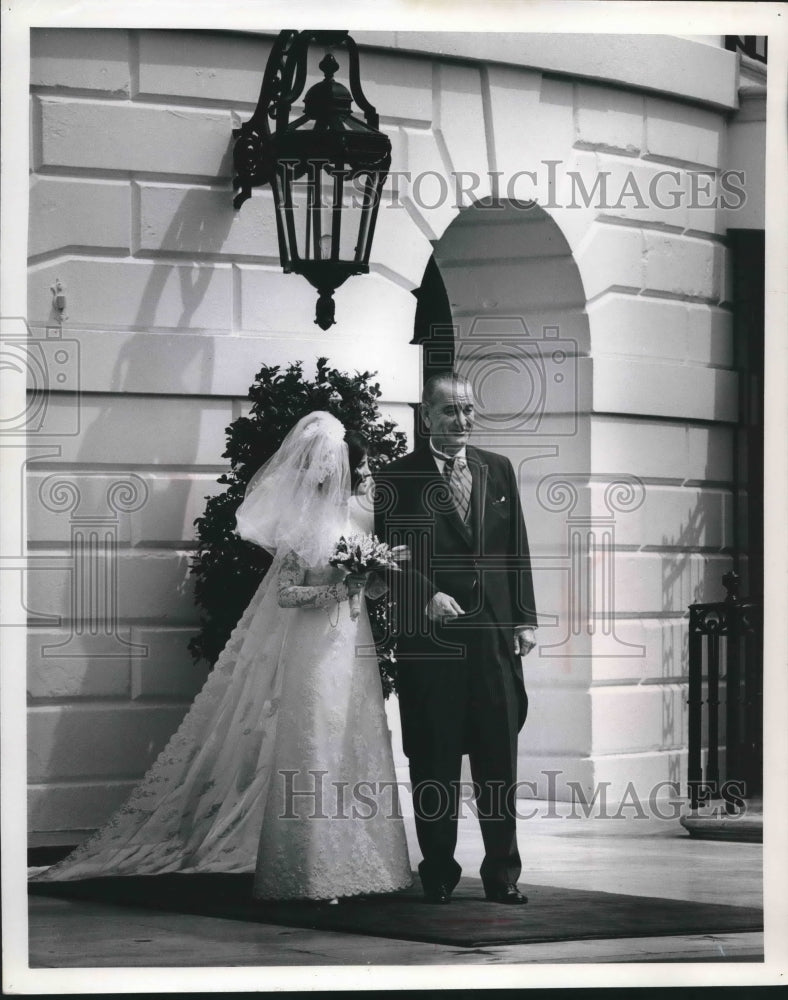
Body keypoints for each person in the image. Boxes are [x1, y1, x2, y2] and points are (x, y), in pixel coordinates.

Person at [31, 411, 412, 901]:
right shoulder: (303, 530)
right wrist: (337, 593)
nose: (364, 476)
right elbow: (287, 595)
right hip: (314, 653)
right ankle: (311, 866)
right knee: (314, 742)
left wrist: (373, 579)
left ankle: (368, 864)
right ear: (337, 469)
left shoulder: (357, 520)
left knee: (354, 741)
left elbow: (370, 591)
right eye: (359, 468)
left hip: (352, 650)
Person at [373, 372, 537, 905]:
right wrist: (424, 595)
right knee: (435, 756)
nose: (462, 421)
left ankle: (502, 873)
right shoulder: (399, 477)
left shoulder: (498, 469)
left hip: (491, 634)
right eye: (449, 412)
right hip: (433, 639)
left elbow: (516, 548)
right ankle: (438, 870)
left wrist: (524, 618)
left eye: (468, 411)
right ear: (427, 417)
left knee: (497, 756)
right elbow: (388, 552)